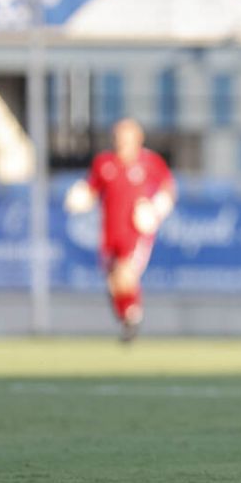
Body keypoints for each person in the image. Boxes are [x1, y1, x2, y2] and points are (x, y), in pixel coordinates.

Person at [64, 118, 176, 343]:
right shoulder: (103, 163)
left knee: (125, 272)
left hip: (135, 231)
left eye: (125, 137)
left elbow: (169, 188)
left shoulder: (150, 162)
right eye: (117, 136)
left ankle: (133, 316)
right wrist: (80, 198)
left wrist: (156, 209)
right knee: (113, 282)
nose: (120, 142)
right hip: (109, 232)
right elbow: (92, 188)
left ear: (137, 139)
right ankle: (128, 316)